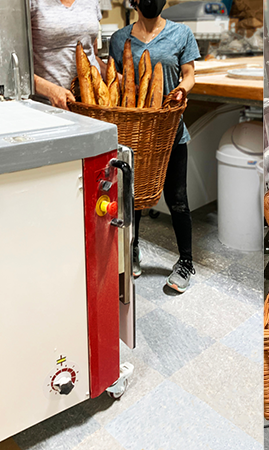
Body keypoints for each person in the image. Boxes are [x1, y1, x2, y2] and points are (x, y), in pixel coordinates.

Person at [108, 0, 200, 293]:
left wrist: (182, 90)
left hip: (170, 132)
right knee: (130, 198)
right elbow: (118, 81)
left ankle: (186, 261)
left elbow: (189, 75)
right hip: (133, 135)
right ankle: (132, 249)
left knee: (178, 200)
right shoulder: (119, 39)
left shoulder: (181, 33)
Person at [30, 0, 108, 110]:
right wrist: (49, 90)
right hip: (49, 105)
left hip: (92, 104)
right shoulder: (32, 2)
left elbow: (90, 53)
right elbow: (16, 66)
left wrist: (116, 77)